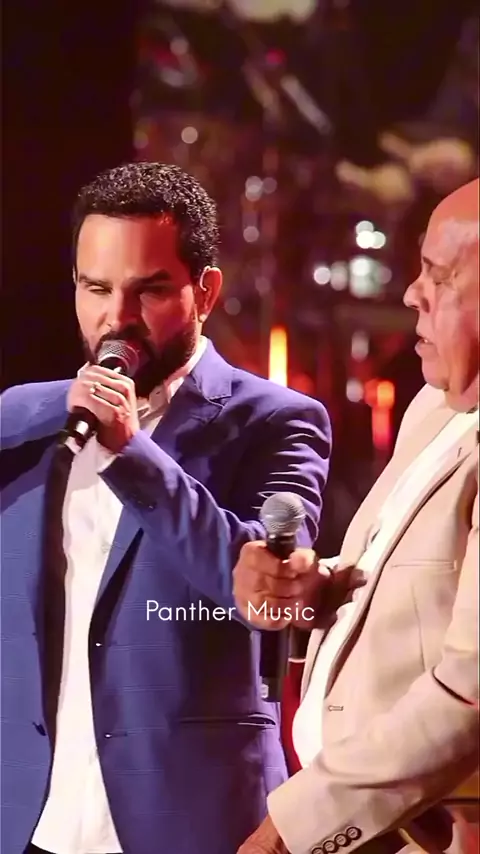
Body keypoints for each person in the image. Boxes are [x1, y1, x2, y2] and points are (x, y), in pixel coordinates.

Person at [0, 162, 332, 854]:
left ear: (204, 291)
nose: (115, 318)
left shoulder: (277, 422)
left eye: (148, 290)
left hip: (192, 823)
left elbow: (264, 585)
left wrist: (133, 454)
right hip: (32, 820)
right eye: (95, 288)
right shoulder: (26, 419)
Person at [233, 178, 479, 854]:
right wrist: (310, 587)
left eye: (440, 276)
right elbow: (418, 583)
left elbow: (470, 693)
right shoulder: (435, 408)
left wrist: (295, 828)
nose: (412, 294)